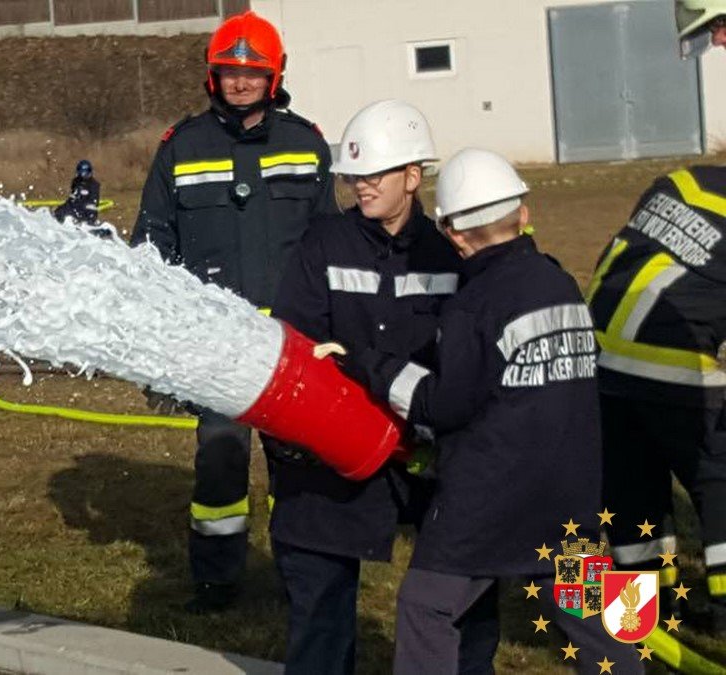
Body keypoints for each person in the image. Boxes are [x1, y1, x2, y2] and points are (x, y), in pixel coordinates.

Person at [337, 148, 641, 674]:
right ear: (523, 213)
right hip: (570, 490)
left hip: (488, 500)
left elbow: (443, 405)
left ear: (453, 234)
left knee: (425, 608)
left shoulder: (472, 305)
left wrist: (376, 366)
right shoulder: (561, 283)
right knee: (595, 620)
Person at [129, 10, 337, 614]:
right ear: (211, 76)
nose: (241, 83)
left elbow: (331, 244)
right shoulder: (180, 147)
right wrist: (155, 353)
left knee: (295, 463)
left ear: (275, 77)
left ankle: (300, 573)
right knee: (220, 460)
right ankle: (216, 581)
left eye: (253, 73)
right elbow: (151, 250)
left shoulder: (305, 143)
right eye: (229, 72)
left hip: (291, 343)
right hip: (214, 346)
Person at [265, 100, 460, 674]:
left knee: (461, 607)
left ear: (413, 176)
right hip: (330, 457)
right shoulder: (323, 244)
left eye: (374, 173)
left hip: (427, 453)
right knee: (319, 610)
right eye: (353, 176)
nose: (360, 185)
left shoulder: (446, 252)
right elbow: (296, 338)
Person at [584, 0, 726, 633]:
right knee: (719, 480)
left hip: (599, 361)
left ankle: (637, 621)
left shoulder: (679, 182)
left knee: (633, 490)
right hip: (672, 368)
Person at [53, 159, 102, 231]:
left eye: (85, 173)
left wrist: (82, 207)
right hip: (74, 206)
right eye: (81, 173)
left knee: (81, 214)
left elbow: (93, 203)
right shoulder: (76, 181)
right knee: (59, 211)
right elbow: (72, 197)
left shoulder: (94, 185)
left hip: (86, 211)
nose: (83, 175)